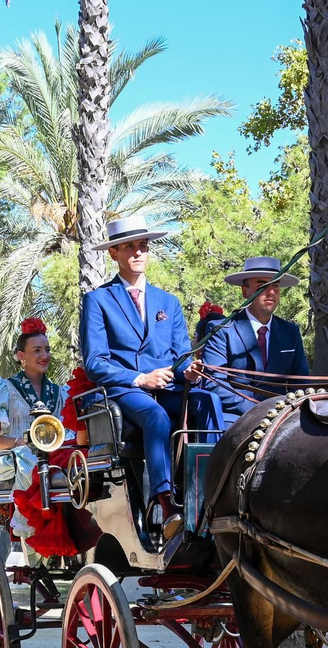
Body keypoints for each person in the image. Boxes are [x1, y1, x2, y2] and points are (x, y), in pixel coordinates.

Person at [80, 214, 223, 536]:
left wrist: (189, 371)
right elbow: (95, 363)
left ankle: (212, 489)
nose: (137, 253)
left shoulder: (167, 302)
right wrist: (140, 378)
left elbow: (180, 356)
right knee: (155, 416)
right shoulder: (98, 301)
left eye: (142, 246)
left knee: (208, 401)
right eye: (129, 247)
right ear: (113, 253)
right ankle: (164, 500)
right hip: (124, 390)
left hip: (169, 386)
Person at [0, 317, 73, 546]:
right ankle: (32, 528)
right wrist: (20, 442)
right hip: (18, 454)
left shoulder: (59, 392)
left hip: (53, 451)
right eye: (37, 350)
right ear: (22, 356)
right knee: (31, 460)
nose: (44, 356)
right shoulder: (5, 389)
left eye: (47, 350)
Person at [200, 256, 310, 421]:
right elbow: (215, 383)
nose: (271, 292)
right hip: (236, 417)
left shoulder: (290, 332)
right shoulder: (222, 330)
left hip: (282, 418)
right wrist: (257, 409)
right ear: (245, 291)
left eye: (276, 286)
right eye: (262, 285)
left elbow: (301, 383)